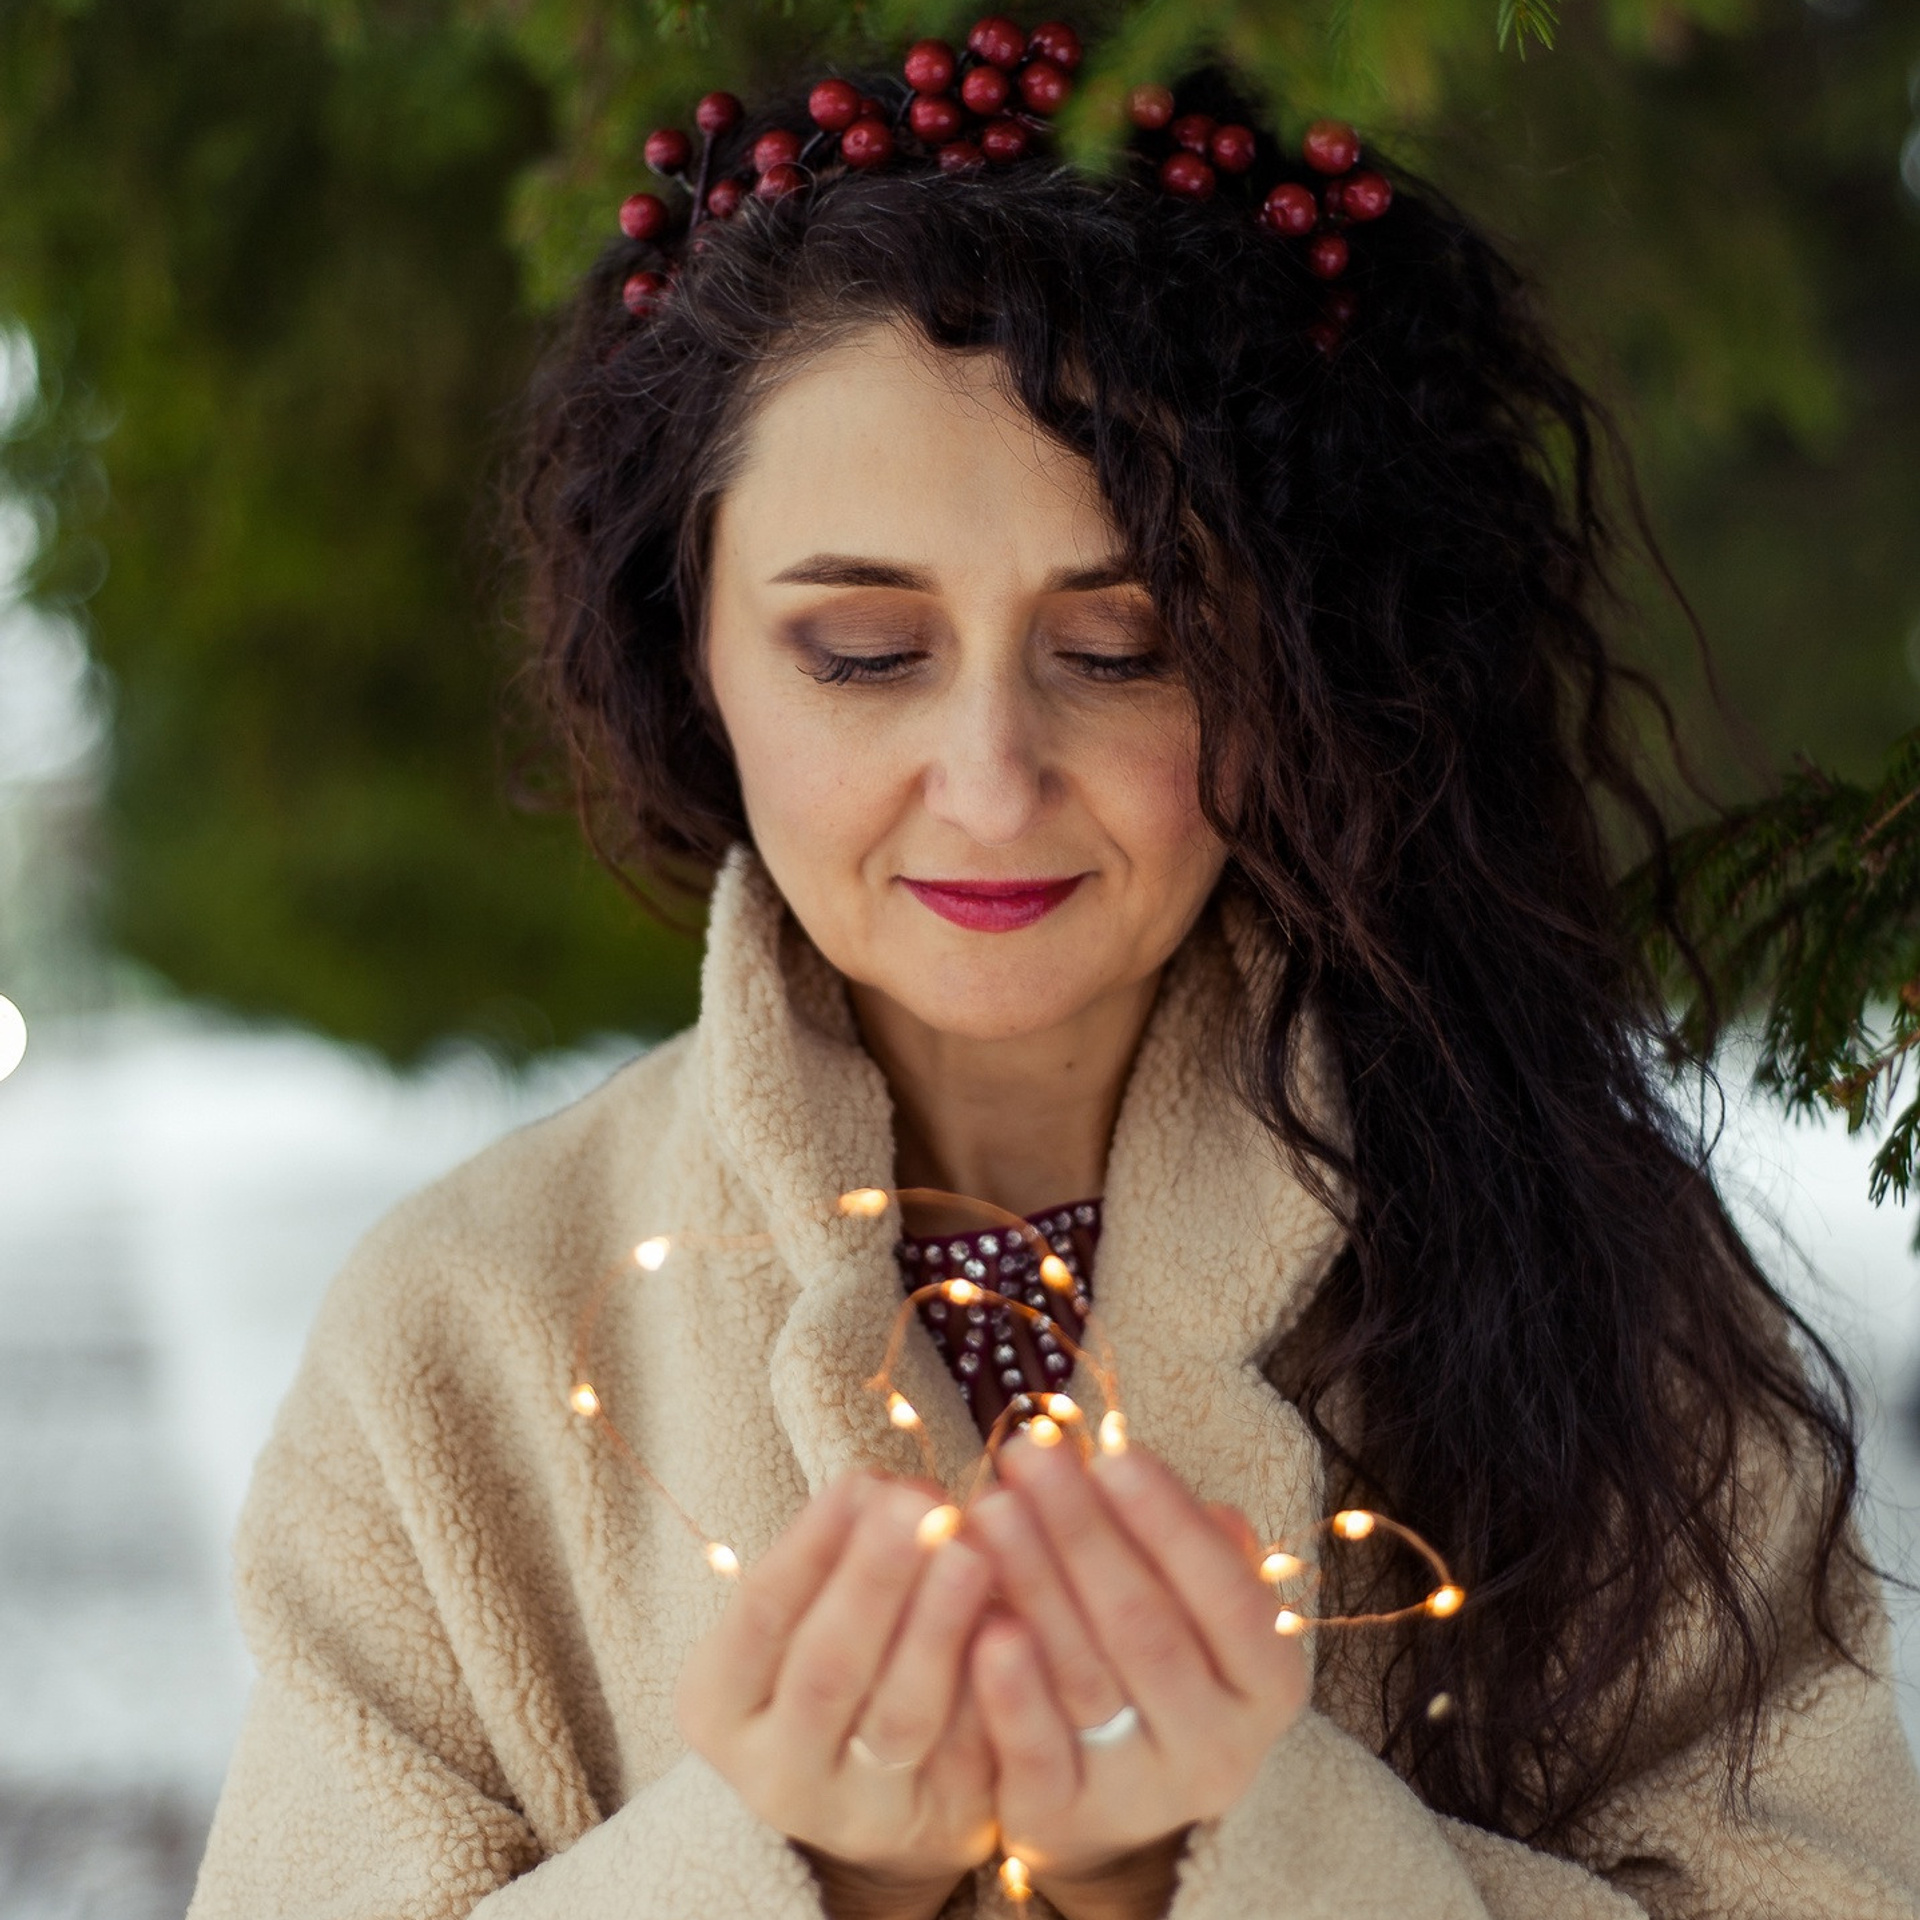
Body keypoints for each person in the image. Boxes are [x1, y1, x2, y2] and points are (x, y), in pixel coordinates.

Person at [187, 27, 1920, 1920]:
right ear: (691, 645)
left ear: (1299, 664)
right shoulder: (465, 1340)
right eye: (861, 648)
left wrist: (1235, 1859)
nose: (992, 783)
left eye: (1122, 649)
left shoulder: (1610, 1300)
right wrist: (790, 1869)